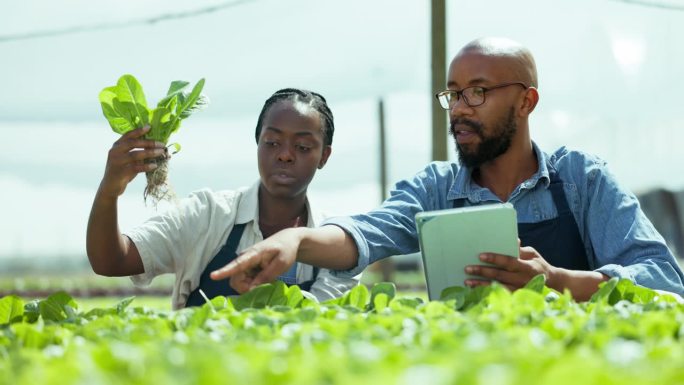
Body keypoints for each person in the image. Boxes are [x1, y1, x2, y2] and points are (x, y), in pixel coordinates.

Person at [211, 38, 684, 301]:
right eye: (453, 94)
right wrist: (297, 240)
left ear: (526, 101)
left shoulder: (580, 180)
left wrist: (559, 279)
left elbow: (663, 279)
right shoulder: (436, 187)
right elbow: (367, 233)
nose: (459, 108)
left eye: (477, 92)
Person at [86, 88, 360, 310]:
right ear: (257, 143)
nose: (285, 155)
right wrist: (110, 190)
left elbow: (322, 322)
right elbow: (111, 261)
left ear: (324, 156)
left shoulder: (337, 242)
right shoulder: (207, 216)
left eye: (302, 147)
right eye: (272, 142)